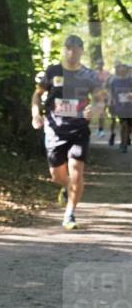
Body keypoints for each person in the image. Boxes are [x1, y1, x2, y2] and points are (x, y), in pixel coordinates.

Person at [31, 35, 106, 230]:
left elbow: (99, 100)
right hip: (55, 130)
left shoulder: (89, 76)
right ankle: (66, 188)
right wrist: (35, 115)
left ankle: (70, 214)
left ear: (81, 50)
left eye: (76, 48)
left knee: (76, 173)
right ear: (64, 50)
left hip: (79, 129)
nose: (72, 52)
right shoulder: (53, 71)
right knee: (57, 176)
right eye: (68, 48)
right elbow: (37, 95)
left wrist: (95, 110)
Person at [108, 61, 132, 153]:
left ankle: (125, 140)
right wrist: (110, 102)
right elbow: (111, 93)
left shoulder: (130, 80)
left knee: (129, 126)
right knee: (124, 125)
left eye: (124, 70)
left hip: (130, 106)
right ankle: (124, 144)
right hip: (120, 107)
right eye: (120, 70)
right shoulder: (114, 81)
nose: (122, 71)